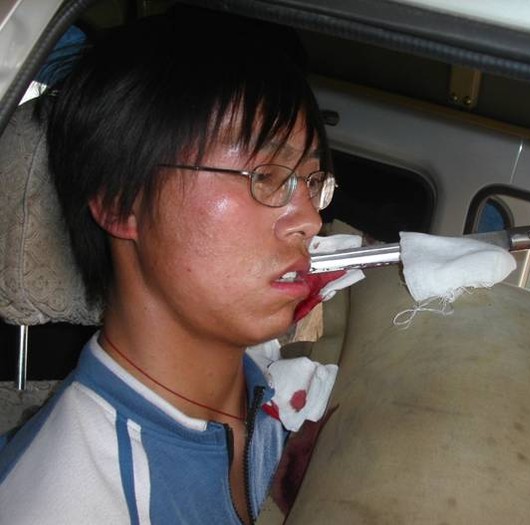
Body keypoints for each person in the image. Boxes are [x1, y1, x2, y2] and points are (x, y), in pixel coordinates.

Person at [0, 6, 336, 524]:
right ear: (121, 203)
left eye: (313, 182)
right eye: (266, 176)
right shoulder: (69, 504)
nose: (311, 219)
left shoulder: (285, 390)